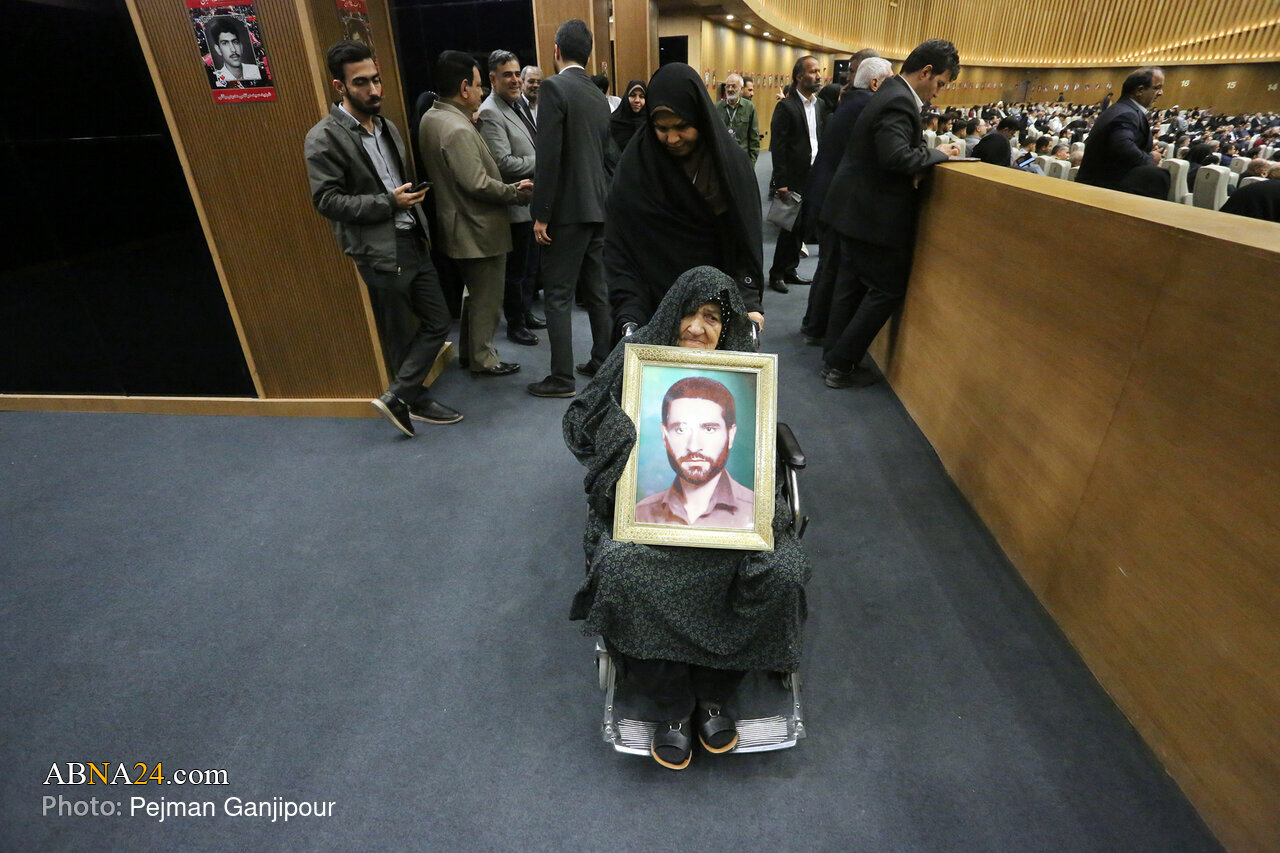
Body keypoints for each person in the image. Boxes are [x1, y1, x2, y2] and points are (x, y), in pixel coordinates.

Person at [565, 265, 809, 771]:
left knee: (778, 569)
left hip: (737, 518)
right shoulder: (637, 360)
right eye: (688, 314)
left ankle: (715, 695)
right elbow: (580, 423)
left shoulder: (744, 369)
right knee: (622, 566)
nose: (697, 328)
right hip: (648, 516)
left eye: (712, 317)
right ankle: (673, 703)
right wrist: (620, 432)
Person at [304, 40, 462, 436]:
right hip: (378, 249)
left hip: (413, 237)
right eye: (361, 83)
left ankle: (398, 396)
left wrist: (406, 201)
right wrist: (388, 202)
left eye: (376, 79)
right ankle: (413, 399)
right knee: (400, 332)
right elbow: (326, 200)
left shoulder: (387, 126)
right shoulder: (324, 137)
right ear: (339, 86)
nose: (374, 90)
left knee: (438, 320)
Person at [820, 39, 963, 389]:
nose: (938, 93)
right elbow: (895, 156)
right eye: (940, 83)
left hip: (853, 210)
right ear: (926, 72)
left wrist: (921, 154)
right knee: (887, 289)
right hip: (871, 216)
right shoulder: (899, 99)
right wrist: (940, 154)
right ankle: (841, 363)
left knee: (850, 286)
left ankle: (833, 359)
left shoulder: (890, 91)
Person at [604, 62, 764, 340]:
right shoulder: (636, 167)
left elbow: (745, 239)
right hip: (648, 306)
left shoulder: (730, 166)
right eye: (661, 128)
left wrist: (748, 299)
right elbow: (620, 244)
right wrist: (628, 307)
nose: (672, 138)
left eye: (682, 126)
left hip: (712, 309)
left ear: (700, 117)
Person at [420, 50, 530, 379]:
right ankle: (484, 359)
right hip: (478, 227)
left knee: (474, 295)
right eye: (479, 84)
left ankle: (471, 352)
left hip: (457, 223)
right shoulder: (457, 128)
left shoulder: (432, 117)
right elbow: (477, 184)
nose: (482, 92)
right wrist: (515, 192)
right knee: (487, 299)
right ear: (464, 87)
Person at [528, 19, 616, 398]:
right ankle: (603, 361)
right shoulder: (598, 94)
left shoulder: (554, 87)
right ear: (589, 54)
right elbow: (606, 156)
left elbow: (548, 157)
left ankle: (562, 378)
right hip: (598, 206)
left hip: (565, 212)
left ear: (557, 50)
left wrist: (541, 213)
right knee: (597, 291)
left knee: (559, 295)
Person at [802, 54, 891, 344]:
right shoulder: (867, 105)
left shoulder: (850, 100)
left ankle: (813, 324)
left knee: (826, 265)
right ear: (875, 83)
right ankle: (816, 329)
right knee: (831, 267)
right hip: (834, 198)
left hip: (824, 194)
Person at [477, 49, 541, 347]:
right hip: (513, 204)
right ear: (492, 79)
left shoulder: (517, 105)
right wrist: (543, 160)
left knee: (528, 268)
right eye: (508, 75)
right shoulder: (490, 111)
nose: (515, 80)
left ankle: (525, 313)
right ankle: (516, 323)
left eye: (517, 74)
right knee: (515, 271)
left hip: (529, 201)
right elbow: (503, 163)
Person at [635, 374, 755, 528]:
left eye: (709, 429)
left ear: (730, 435)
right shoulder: (641, 514)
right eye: (680, 429)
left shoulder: (757, 512)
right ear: (664, 436)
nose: (693, 446)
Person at [768, 55, 827, 293]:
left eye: (819, 71)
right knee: (789, 228)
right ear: (799, 77)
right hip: (793, 179)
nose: (819, 76)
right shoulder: (786, 106)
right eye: (813, 72)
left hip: (813, 176)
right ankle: (777, 273)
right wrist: (781, 181)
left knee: (803, 228)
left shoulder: (819, 105)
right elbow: (778, 147)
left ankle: (790, 270)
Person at [1076, 67, 1169, 199]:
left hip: (1100, 180)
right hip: (1102, 187)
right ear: (1140, 90)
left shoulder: (1121, 109)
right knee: (1158, 176)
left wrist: (1144, 148)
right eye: (1157, 88)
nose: (1161, 93)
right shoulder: (1127, 113)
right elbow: (1123, 147)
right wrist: (1150, 158)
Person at [712, 73, 760, 166]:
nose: (730, 89)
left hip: (742, 159)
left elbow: (754, 138)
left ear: (741, 89)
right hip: (723, 157)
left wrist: (751, 164)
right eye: (728, 86)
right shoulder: (717, 107)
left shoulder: (749, 107)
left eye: (734, 86)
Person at [205, 17, 266, 86]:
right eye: (225, 43)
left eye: (235, 42)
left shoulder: (256, 70)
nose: (233, 49)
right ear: (218, 49)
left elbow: (256, 42)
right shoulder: (219, 76)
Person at [609, 79, 647, 153]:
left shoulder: (650, 124)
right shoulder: (614, 123)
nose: (637, 100)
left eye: (642, 96)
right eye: (633, 95)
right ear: (626, 97)